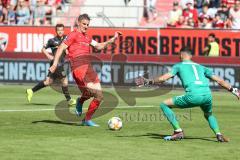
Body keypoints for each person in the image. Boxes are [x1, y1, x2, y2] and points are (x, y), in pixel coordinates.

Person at [136, 47, 240, 142]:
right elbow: (220, 81)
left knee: (164, 104)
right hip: (207, 95)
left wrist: (148, 82)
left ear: (181, 55)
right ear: (190, 56)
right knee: (209, 114)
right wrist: (234, 90)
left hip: (193, 96)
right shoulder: (202, 67)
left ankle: (178, 131)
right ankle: (219, 134)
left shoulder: (178, 66)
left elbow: (164, 78)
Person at [49, 14, 122, 127]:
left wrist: (112, 40)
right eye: (84, 24)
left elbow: (98, 46)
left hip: (89, 68)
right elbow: (61, 48)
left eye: (88, 24)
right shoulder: (72, 35)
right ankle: (81, 103)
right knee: (93, 93)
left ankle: (86, 118)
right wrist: (54, 63)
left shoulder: (87, 38)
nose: (86, 26)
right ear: (78, 22)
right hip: (78, 68)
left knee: (99, 96)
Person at [26, 24, 76, 106]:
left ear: (63, 31)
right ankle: (69, 100)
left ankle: (31, 91)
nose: (60, 31)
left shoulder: (66, 39)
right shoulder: (52, 41)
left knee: (48, 82)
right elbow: (43, 48)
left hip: (59, 63)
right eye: (58, 30)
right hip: (57, 63)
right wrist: (48, 55)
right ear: (56, 31)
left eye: (61, 30)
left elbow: (68, 49)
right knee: (64, 81)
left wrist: (68, 51)